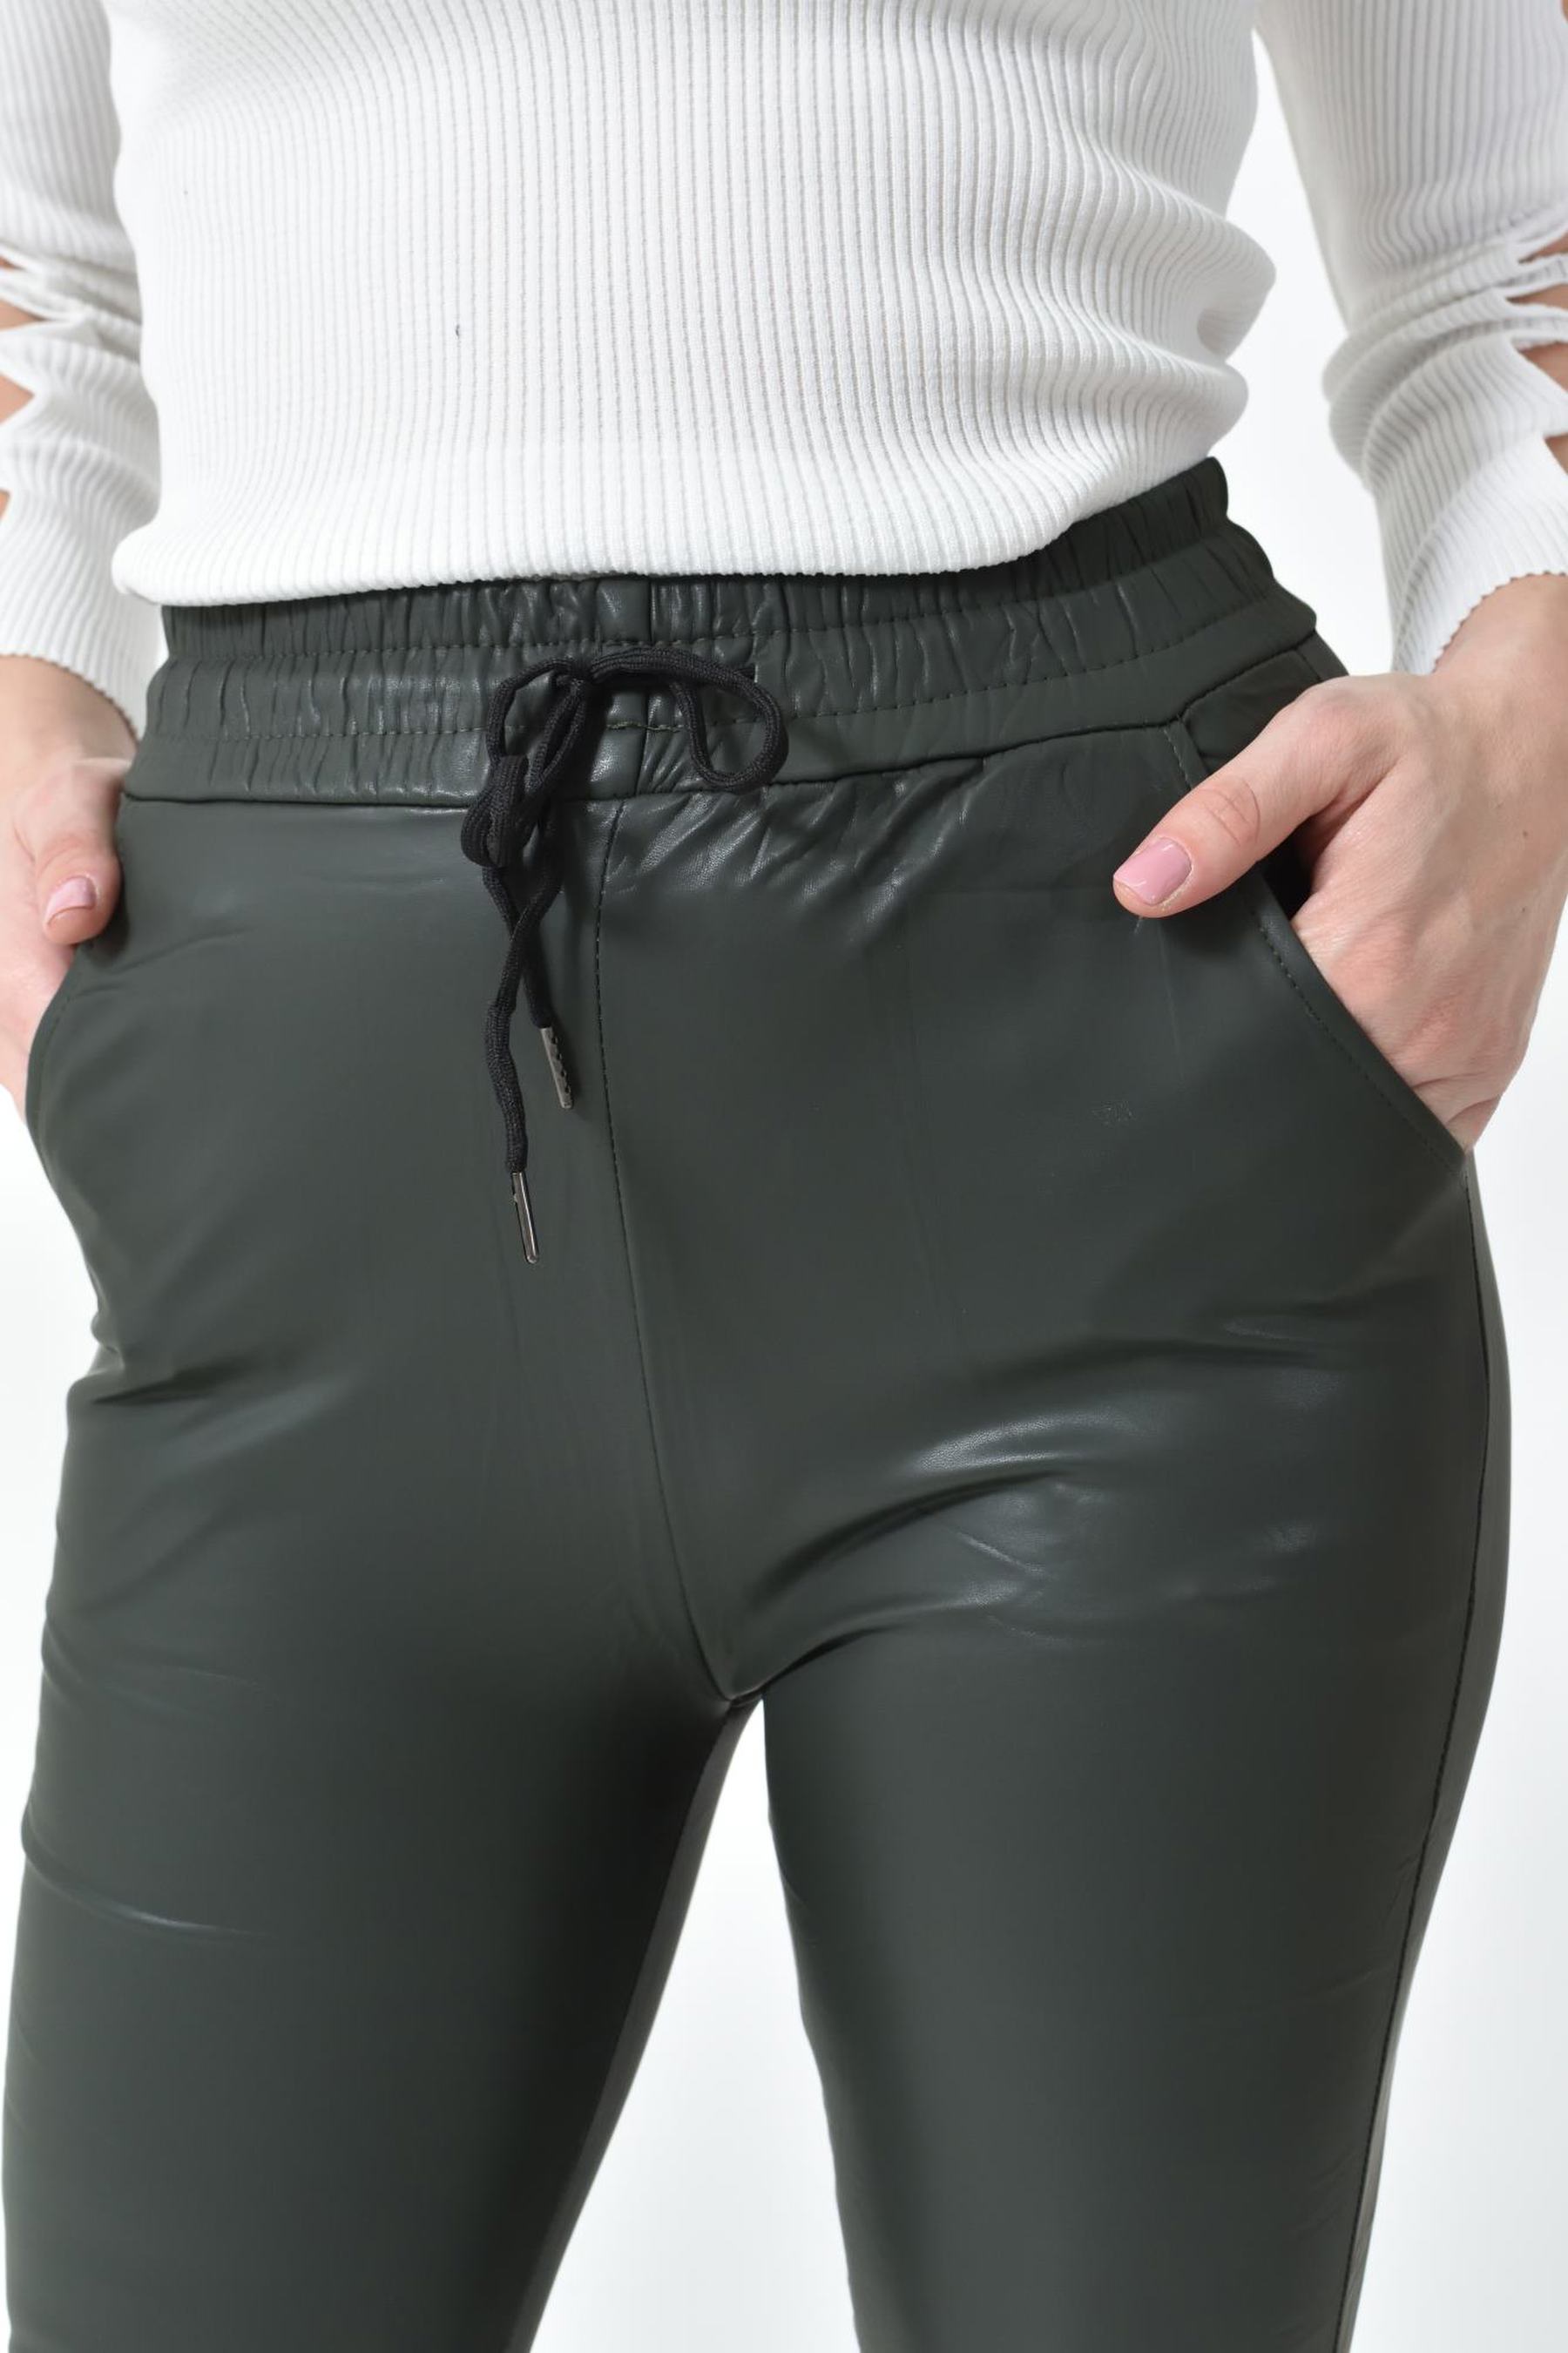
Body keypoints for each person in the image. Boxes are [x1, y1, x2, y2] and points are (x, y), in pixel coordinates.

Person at [1, 2, 1565, 2347]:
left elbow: (1512, 232)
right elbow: (34, 255)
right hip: (305, 1134)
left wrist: (1523, 727)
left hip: (1108, 1076)